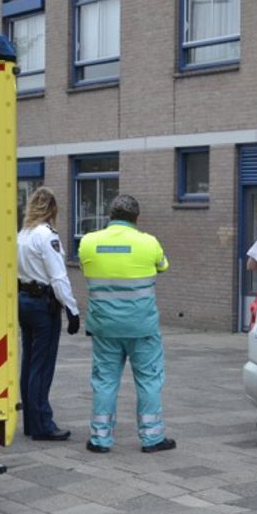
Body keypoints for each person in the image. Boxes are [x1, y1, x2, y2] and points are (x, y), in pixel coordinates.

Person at [78, 194, 175, 454]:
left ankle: (100, 439)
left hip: (104, 328)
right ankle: (152, 438)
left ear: (110, 216)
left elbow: (84, 266)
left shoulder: (89, 242)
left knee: (105, 381)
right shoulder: (149, 243)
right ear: (137, 218)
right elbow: (162, 266)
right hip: (142, 328)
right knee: (149, 381)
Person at [17, 187, 80, 441]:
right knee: (42, 366)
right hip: (43, 305)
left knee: (29, 362)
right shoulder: (47, 235)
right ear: (52, 209)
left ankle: (31, 422)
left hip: (23, 300)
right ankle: (43, 423)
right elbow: (58, 276)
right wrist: (72, 309)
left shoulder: (21, 234)